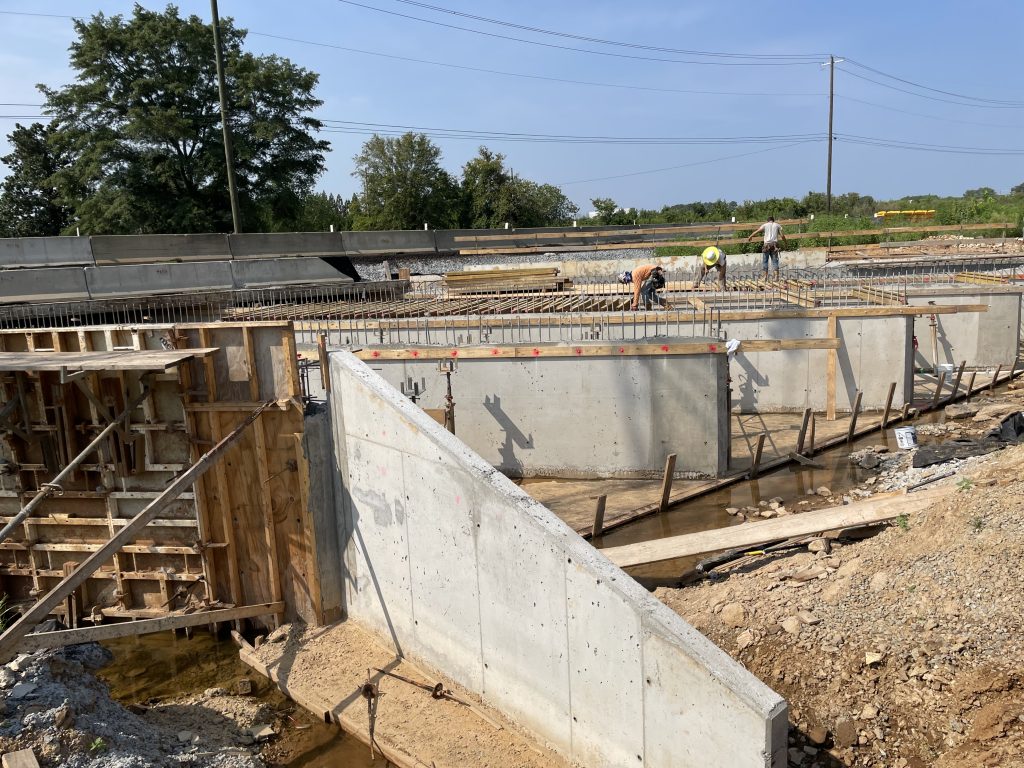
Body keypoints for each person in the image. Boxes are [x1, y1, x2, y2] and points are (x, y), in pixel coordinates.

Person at [747, 216, 787, 281]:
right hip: (774, 245)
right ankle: (776, 277)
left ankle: (765, 277)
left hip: (766, 245)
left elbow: (757, 231)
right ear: (773, 220)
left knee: (765, 261)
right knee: (775, 261)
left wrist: (750, 236)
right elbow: (782, 236)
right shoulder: (777, 225)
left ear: (767, 221)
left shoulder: (765, 225)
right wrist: (785, 243)